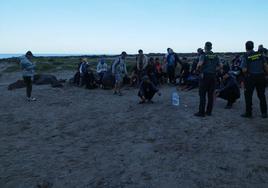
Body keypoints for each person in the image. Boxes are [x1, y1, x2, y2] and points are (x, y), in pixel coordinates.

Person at [241, 41, 268, 118]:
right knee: (261, 95)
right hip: (261, 77)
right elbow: (266, 66)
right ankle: (264, 113)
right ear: (253, 46)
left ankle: (248, 113)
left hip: (250, 78)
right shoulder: (260, 55)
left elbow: (244, 70)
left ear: (246, 47)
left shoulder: (246, 56)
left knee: (248, 96)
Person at [194, 42, 221, 117]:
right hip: (213, 76)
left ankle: (201, 112)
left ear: (205, 47)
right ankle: (209, 112)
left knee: (202, 95)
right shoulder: (215, 56)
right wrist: (214, 70)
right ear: (211, 48)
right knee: (210, 95)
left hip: (205, 76)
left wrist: (198, 70)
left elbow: (199, 64)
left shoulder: (203, 55)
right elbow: (220, 66)